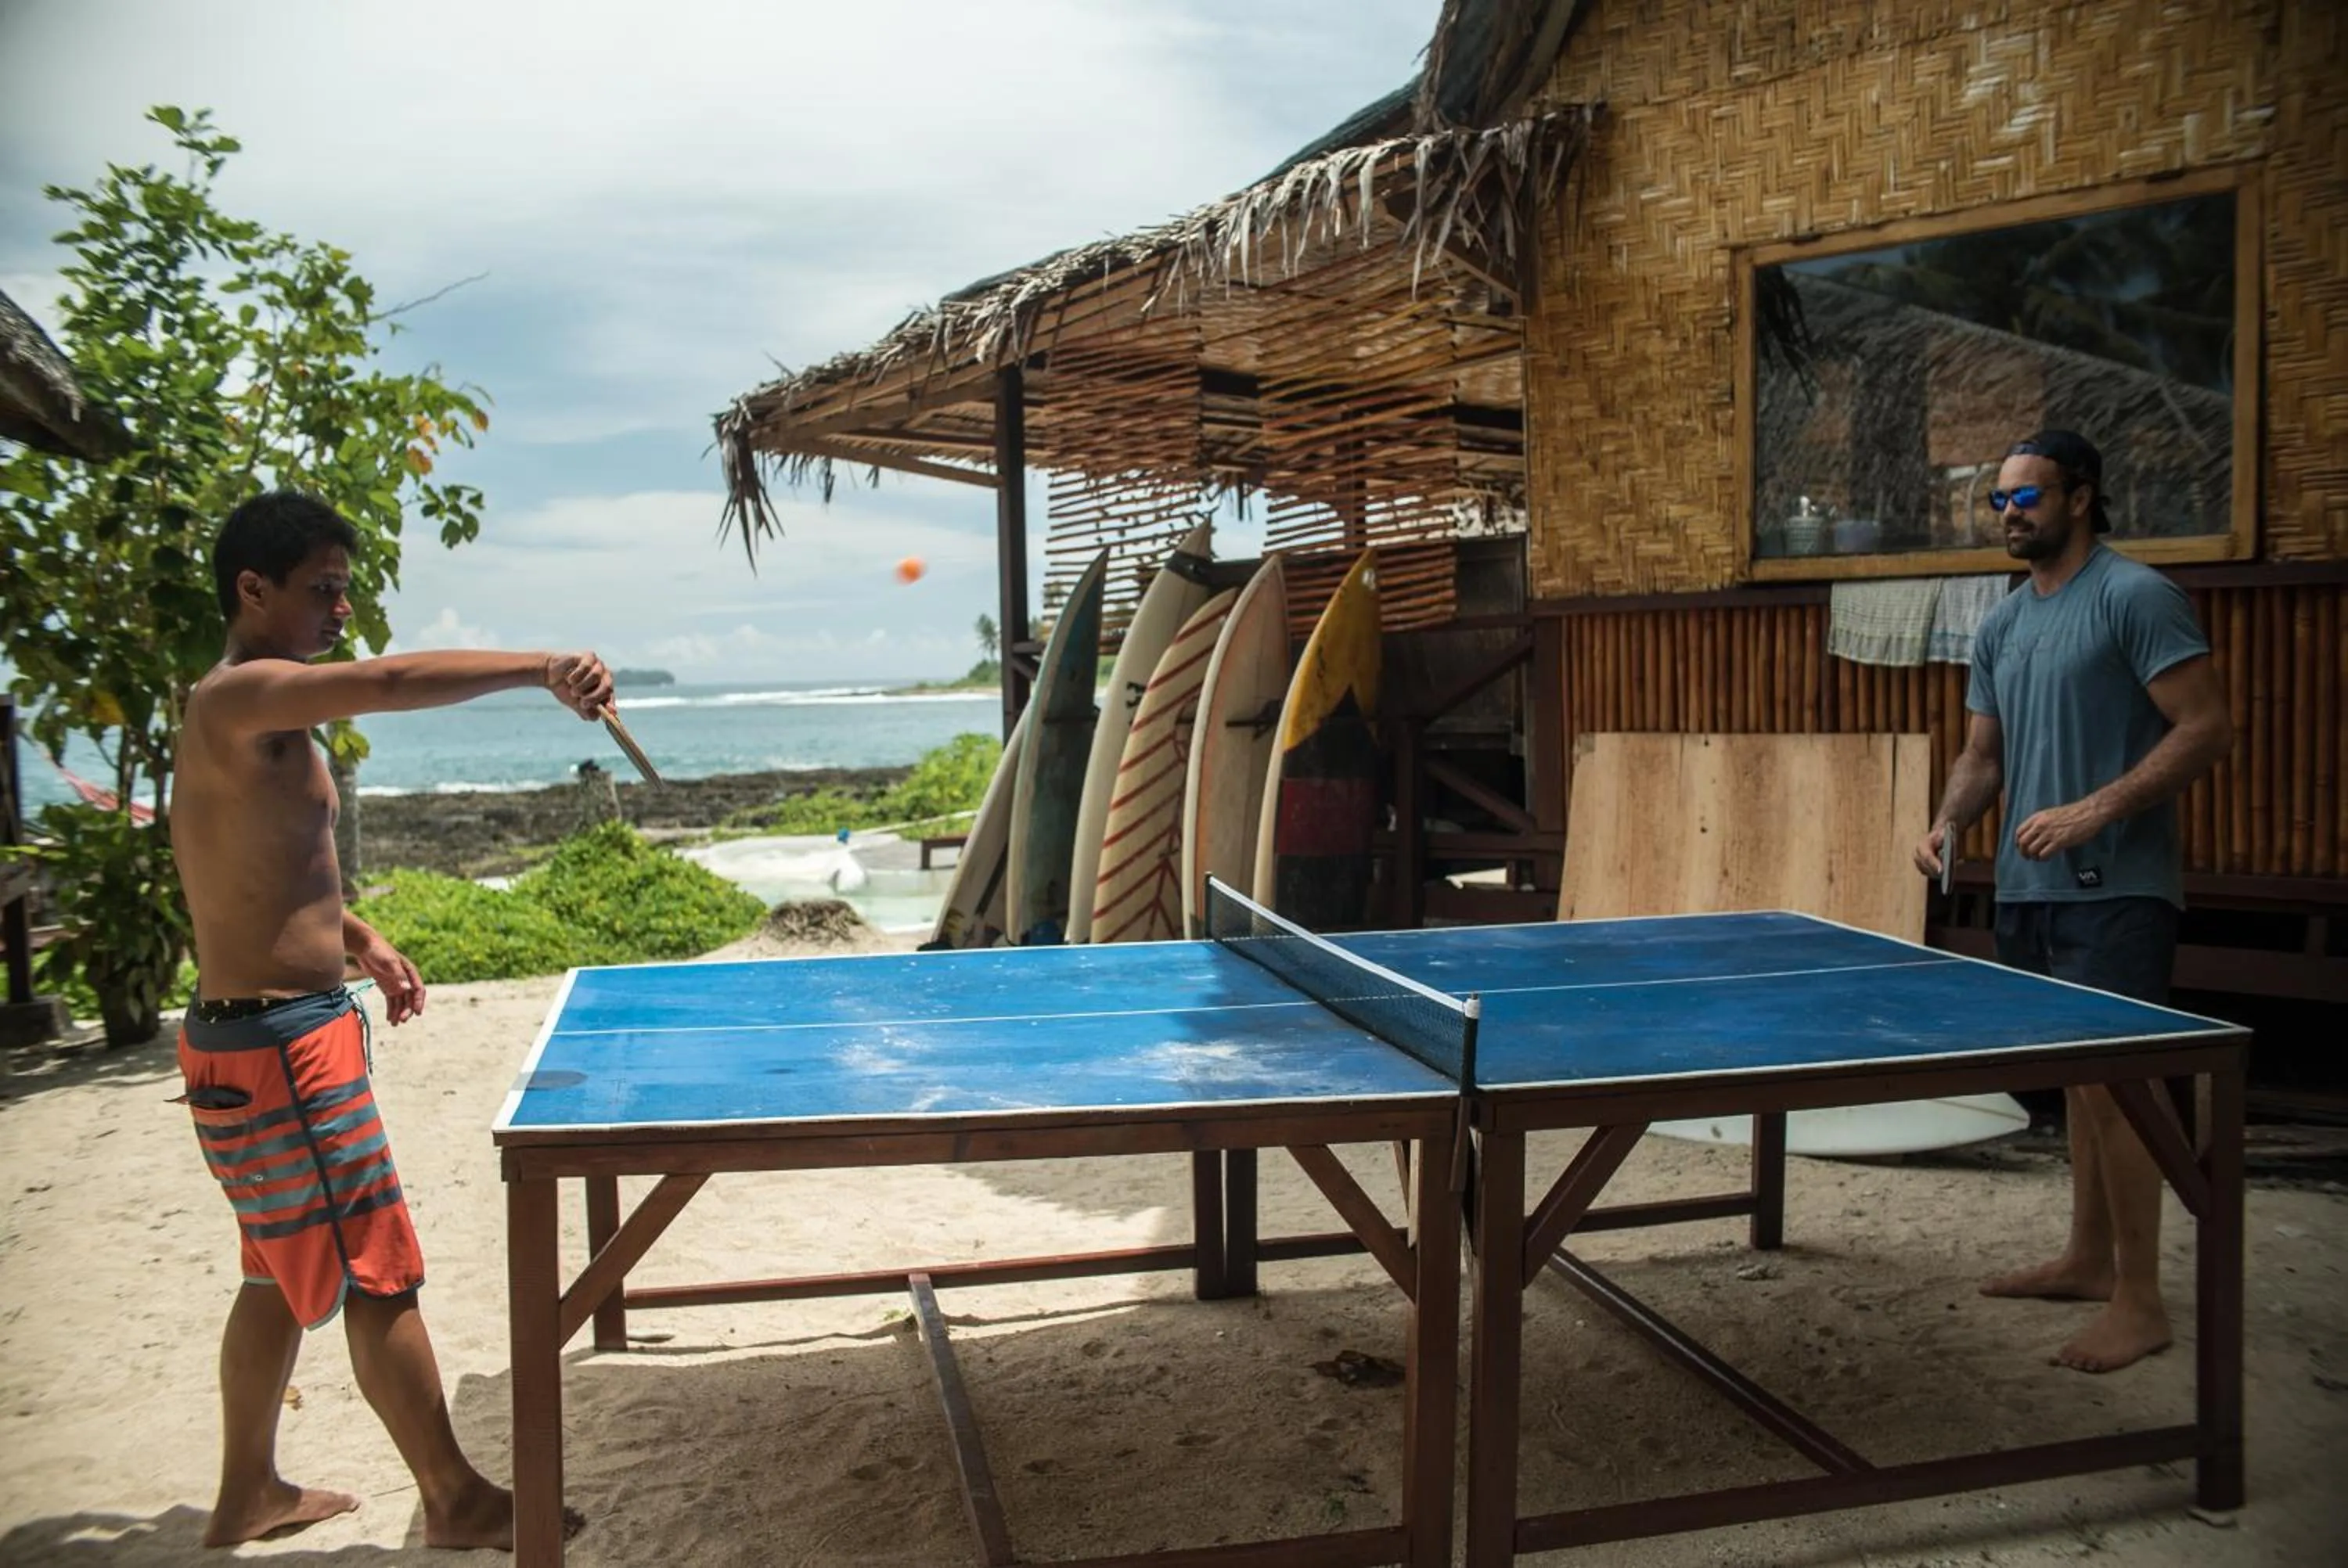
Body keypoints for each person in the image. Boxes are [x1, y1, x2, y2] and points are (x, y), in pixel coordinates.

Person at [171, 489, 610, 1547]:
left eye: (345, 590)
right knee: (378, 1272)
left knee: (275, 1273)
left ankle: (247, 1495)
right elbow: (391, 680)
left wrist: (358, 938)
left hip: (241, 1036)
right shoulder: (246, 697)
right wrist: (541, 665)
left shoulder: (243, 720)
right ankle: (457, 1499)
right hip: (283, 1054)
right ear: (253, 590)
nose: (339, 611)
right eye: (322, 590)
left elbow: (251, 862)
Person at [1913, 430, 2231, 1374]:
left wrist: (2098, 810)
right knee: (2080, 1093)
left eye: (2028, 498)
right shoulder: (2007, 621)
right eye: (1999, 502)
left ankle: (2142, 1302)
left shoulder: (2135, 597)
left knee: (2118, 1092)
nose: (2010, 515)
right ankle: (2091, 1260)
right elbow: (1984, 755)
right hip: (2029, 889)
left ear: (2081, 497)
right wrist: (1948, 822)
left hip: (2118, 889)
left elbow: (2207, 729)